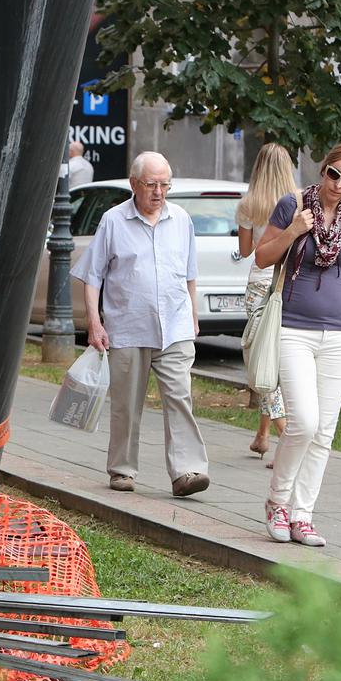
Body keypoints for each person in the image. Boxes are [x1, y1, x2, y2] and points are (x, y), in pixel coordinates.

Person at [254, 142, 341, 546]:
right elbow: (262, 257)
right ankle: (277, 503)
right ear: (324, 169)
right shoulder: (293, 203)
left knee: (325, 432)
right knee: (304, 424)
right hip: (294, 328)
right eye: (334, 174)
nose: (338, 184)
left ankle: (303, 515)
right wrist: (294, 231)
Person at [71, 151, 210, 498]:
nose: (159, 192)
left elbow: (190, 274)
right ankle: (122, 469)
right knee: (126, 404)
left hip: (175, 328)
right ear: (135, 184)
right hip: (128, 327)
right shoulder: (113, 221)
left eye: (165, 184)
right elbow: (92, 277)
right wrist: (94, 323)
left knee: (180, 397)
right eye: (152, 184)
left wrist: (192, 314)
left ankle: (187, 471)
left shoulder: (181, 220)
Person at [235, 142, 295, 467]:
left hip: (260, 288)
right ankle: (262, 435)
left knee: (263, 359)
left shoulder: (249, 205)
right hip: (290, 286)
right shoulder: (298, 203)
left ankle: (287, 438)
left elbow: (247, 252)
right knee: (278, 359)